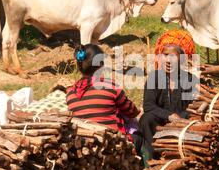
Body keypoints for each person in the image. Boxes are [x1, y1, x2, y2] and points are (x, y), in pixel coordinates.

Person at [66, 44, 144, 154]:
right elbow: (131, 112)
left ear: (79, 66)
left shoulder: (70, 93)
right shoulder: (110, 86)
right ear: (101, 65)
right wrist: (139, 111)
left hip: (85, 145)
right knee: (139, 137)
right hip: (111, 143)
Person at [139, 30, 199, 160]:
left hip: (182, 123)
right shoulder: (154, 78)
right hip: (158, 122)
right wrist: (168, 115)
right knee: (146, 119)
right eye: (165, 55)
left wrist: (180, 118)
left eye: (173, 56)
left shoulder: (190, 80)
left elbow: (193, 107)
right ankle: (152, 156)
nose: (168, 60)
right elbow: (148, 106)